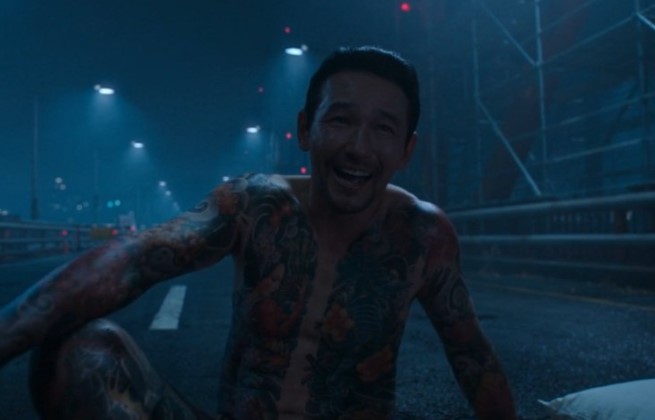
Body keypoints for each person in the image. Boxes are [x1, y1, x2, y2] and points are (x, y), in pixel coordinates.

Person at [0, 46, 517, 419]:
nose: (358, 147)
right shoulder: (256, 205)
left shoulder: (423, 234)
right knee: (81, 353)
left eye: (383, 128)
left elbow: (471, 356)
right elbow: (135, 258)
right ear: (306, 129)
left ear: (406, 150)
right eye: (340, 120)